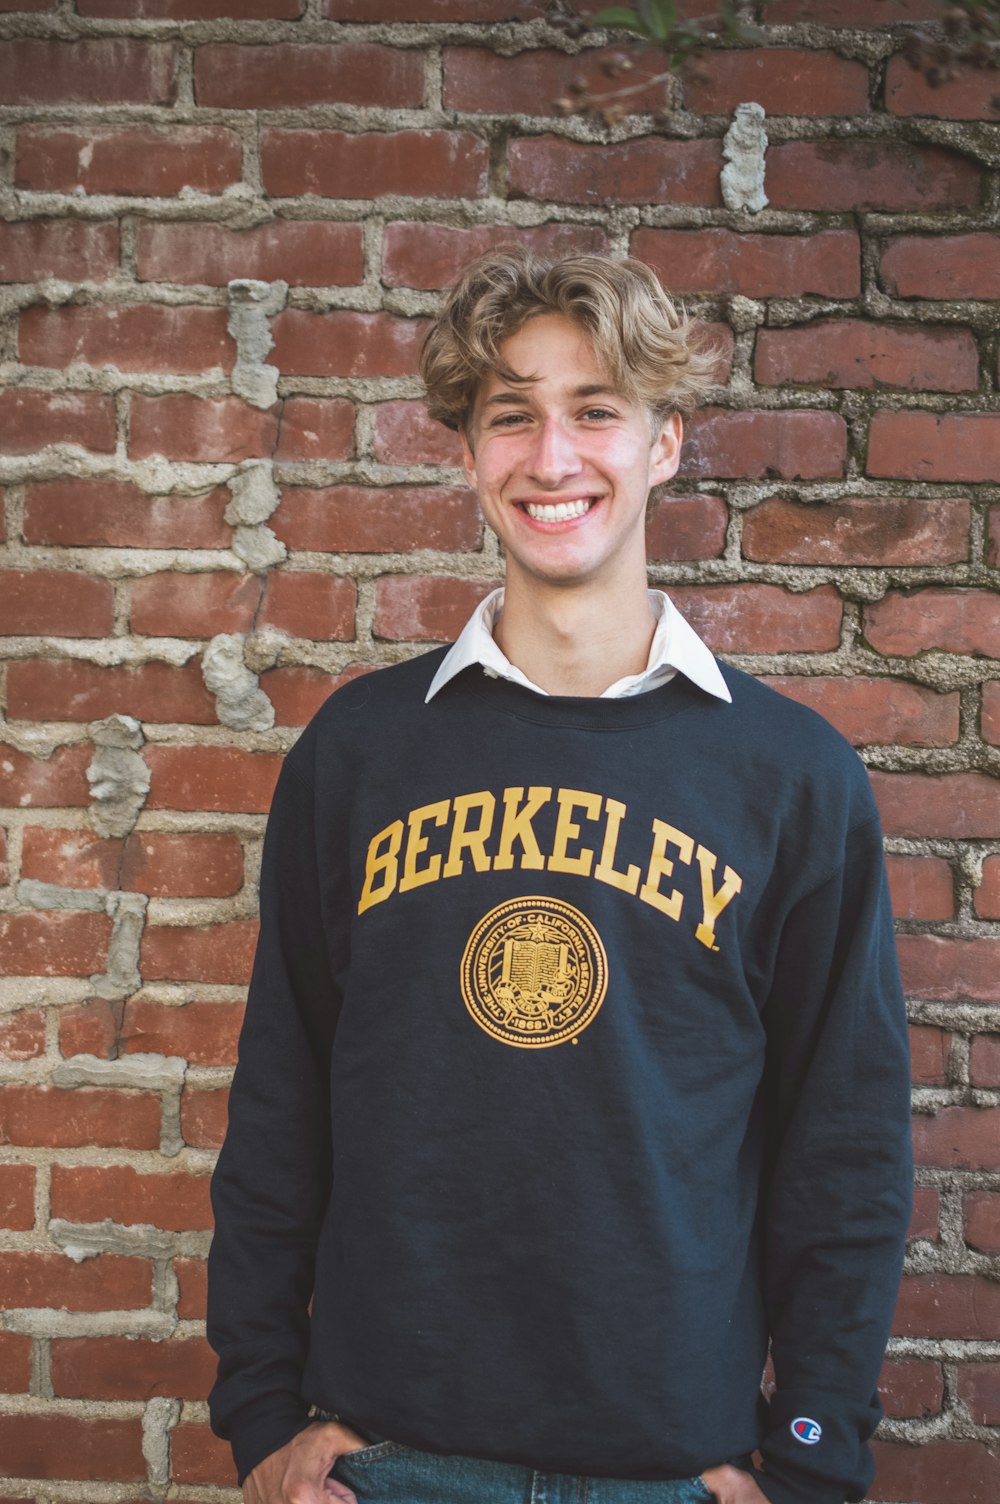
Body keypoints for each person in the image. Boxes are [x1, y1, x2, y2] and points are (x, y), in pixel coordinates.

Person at [207, 250, 913, 1504]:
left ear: (665, 445)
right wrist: (262, 1411)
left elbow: (843, 1153)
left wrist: (810, 1458)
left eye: (594, 411)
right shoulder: (361, 755)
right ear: (470, 454)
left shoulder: (789, 778)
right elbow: (281, 1102)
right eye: (510, 415)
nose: (552, 457)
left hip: (671, 1474)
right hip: (386, 1463)